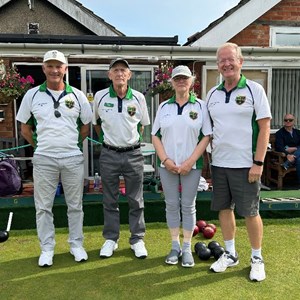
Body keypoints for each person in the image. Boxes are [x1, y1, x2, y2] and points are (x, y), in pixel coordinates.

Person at [16, 50, 92, 267]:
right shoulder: (32, 95)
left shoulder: (77, 95)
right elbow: (25, 129)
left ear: (65, 69)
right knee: (43, 206)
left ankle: (76, 245)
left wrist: (73, 145)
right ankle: (47, 249)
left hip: (72, 158)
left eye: (59, 66)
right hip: (44, 159)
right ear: (43, 69)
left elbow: (85, 128)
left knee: (75, 205)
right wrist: (40, 147)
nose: (54, 70)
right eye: (50, 66)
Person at [206, 43, 271, 281]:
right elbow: (208, 131)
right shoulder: (212, 94)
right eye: (222, 60)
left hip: (247, 165)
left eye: (231, 59)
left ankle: (257, 258)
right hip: (220, 163)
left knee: (251, 212)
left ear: (240, 61)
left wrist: (259, 162)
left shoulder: (255, 90)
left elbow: (264, 128)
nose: (226, 64)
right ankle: (231, 254)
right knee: (224, 209)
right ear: (218, 65)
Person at [152, 65, 212, 268]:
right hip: (166, 165)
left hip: (192, 166)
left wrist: (189, 162)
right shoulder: (164, 107)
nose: (180, 81)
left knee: (188, 206)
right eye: (177, 78)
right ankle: (174, 246)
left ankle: (187, 248)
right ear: (172, 82)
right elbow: (155, 136)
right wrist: (166, 161)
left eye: (184, 78)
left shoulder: (201, 106)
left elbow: (206, 137)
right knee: (171, 205)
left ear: (192, 81)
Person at [93, 58, 150, 259]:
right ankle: (111, 239)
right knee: (110, 199)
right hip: (109, 154)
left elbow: (142, 126)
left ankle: (137, 239)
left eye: (123, 70)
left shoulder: (138, 98)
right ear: (109, 75)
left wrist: (129, 142)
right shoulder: (100, 97)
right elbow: (97, 124)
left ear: (129, 75)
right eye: (115, 70)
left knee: (136, 198)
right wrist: (108, 142)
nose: (119, 73)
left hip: (133, 153)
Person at [275, 114, 300, 182]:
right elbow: (279, 147)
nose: (288, 121)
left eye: (290, 120)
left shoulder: (298, 132)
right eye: (286, 120)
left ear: (294, 121)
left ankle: (287, 163)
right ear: (284, 121)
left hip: (294, 157)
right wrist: (287, 154)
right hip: (285, 156)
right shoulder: (279, 133)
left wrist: (294, 149)